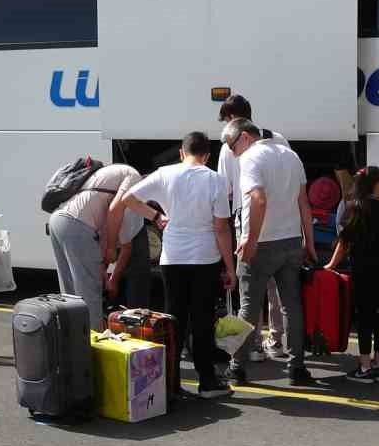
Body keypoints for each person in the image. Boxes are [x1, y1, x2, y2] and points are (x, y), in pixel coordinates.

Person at [116, 132, 237, 398]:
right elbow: (221, 229)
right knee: (202, 320)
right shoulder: (215, 180)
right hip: (205, 259)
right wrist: (230, 268)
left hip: (172, 258)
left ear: (182, 152)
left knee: (175, 319)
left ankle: (171, 384)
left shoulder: (164, 174)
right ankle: (208, 382)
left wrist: (156, 216)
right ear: (207, 155)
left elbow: (127, 199)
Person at [222, 118, 316, 386]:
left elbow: (258, 199)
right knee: (291, 305)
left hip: (262, 244)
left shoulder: (250, 158)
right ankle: (297, 367)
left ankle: (237, 368)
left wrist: (250, 240)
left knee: (249, 307)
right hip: (291, 241)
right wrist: (309, 242)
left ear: (244, 137)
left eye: (231, 145)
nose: (231, 152)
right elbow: (304, 204)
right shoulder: (291, 155)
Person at [217, 95, 292, 362]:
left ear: (232, 119)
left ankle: (252, 347)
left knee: (249, 287)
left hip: (247, 217)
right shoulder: (279, 139)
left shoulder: (229, 147)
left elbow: (224, 190)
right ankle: (277, 340)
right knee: (278, 286)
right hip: (282, 220)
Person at [324, 166, 379, 382]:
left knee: (364, 318)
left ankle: (364, 367)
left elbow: (344, 244)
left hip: (362, 271)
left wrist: (330, 265)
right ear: (375, 185)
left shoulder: (353, 208)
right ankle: (378, 363)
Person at [49, 162, 145, 329]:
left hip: (57, 221)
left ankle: (72, 344)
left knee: (71, 297)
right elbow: (116, 214)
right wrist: (110, 256)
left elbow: (97, 247)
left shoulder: (108, 175)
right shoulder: (134, 178)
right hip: (77, 226)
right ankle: (92, 348)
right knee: (90, 297)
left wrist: (106, 274)